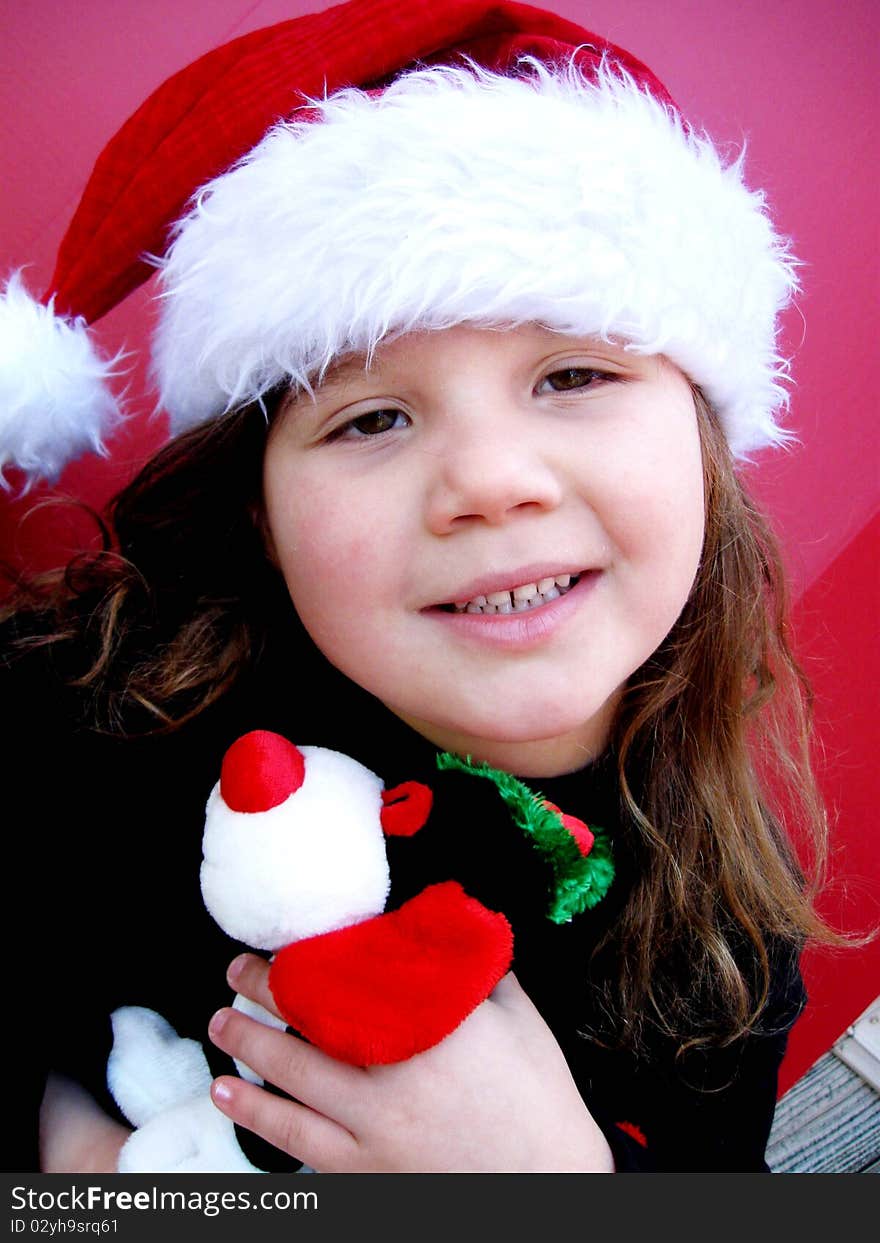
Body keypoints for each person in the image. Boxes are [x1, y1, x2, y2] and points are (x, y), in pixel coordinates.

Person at [1, 0, 841, 1173]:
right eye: (373, 417)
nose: (491, 483)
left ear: (703, 444)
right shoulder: (87, 725)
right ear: (263, 515)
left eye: (573, 372)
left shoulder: (728, 934)